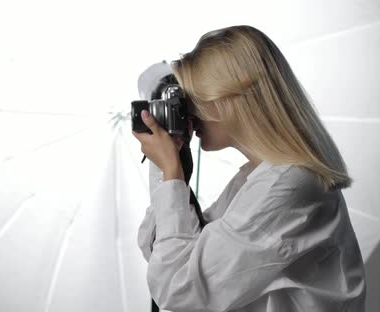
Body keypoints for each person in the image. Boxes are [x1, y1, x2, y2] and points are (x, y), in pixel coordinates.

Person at [132, 25, 366, 312]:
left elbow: (178, 288)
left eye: (192, 98)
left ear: (225, 100)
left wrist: (171, 174)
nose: (188, 112)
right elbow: (160, 250)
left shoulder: (289, 184)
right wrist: (169, 167)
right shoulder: (256, 178)